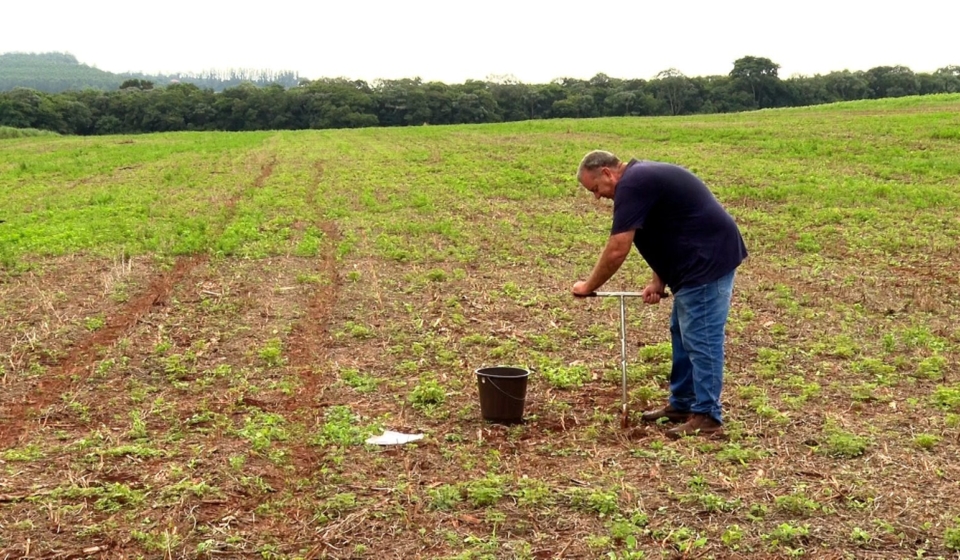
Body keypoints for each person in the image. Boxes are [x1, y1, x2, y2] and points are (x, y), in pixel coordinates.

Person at [572, 150, 747, 439]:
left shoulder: (633, 185)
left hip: (707, 261)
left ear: (607, 173)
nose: (597, 197)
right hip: (693, 260)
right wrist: (658, 281)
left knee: (701, 337)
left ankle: (707, 415)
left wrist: (588, 286)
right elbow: (665, 232)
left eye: (595, 189)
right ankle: (683, 404)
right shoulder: (639, 181)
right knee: (682, 332)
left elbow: (618, 248)